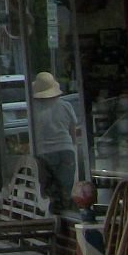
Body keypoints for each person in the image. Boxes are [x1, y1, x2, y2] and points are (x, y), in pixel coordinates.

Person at [28, 72, 82, 208]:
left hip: (44, 152)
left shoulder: (34, 108)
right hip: (66, 150)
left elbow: (34, 133)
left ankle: (55, 216)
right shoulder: (66, 105)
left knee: (50, 191)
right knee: (66, 188)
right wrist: (73, 147)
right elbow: (73, 132)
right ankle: (67, 211)